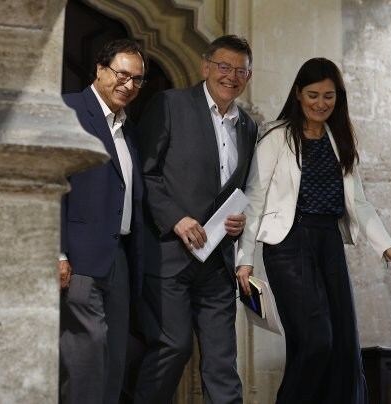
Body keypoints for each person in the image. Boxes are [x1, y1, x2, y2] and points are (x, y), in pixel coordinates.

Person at [236, 57, 391, 404]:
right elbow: (254, 199)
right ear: (298, 94)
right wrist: (245, 259)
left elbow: (358, 202)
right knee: (317, 340)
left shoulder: (340, 140)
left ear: (338, 98)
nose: (320, 103)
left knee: (342, 345)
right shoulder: (276, 137)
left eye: (328, 96)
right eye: (313, 95)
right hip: (287, 244)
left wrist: (386, 245)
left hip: (329, 241)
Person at [133, 35, 258, 404]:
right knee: (173, 346)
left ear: (248, 77)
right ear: (206, 67)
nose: (231, 76)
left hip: (217, 263)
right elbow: (146, 173)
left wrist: (239, 222)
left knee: (222, 361)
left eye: (241, 70)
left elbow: (242, 190)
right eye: (224, 66)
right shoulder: (169, 105)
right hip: (169, 255)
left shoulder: (248, 127)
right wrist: (176, 219)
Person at [58, 39, 147, 404]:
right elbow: (55, 186)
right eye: (121, 74)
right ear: (99, 69)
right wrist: (58, 252)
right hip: (79, 259)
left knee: (113, 359)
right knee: (85, 359)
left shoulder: (127, 128)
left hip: (119, 259)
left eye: (137, 80)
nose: (128, 85)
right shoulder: (70, 110)